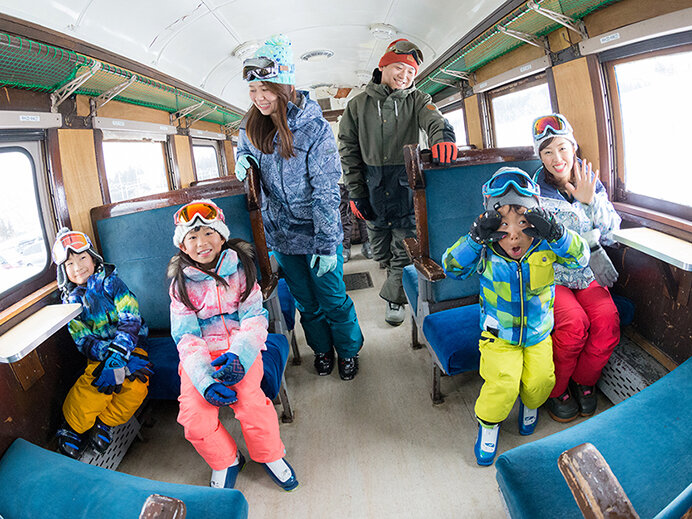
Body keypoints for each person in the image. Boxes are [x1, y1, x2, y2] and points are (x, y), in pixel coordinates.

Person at [234, 34, 364, 380]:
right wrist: (242, 159)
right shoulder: (249, 128)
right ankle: (322, 349)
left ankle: (349, 351)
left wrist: (327, 244)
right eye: (252, 91)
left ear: (285, 84)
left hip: (320, 232)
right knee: (307, 303)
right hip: (283, 235)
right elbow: (244, 161)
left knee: (333, 299)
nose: (259, 98)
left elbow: (325, 192)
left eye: (266, 89)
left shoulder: (315, 129)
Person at [441, 168, 590, 465]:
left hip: (538, 333)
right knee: (503, 384)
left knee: (540, 382)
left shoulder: (546, 243)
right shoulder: (486, 249)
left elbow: (581, 257)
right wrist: (474, 239)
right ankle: (489, 424)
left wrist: (557, 233)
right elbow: (451, 267)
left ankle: (531, 405)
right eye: (504, 225)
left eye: (523, 222)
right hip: (499, 336)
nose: (514, 234)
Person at [168, 199, 298, 491]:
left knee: (252, 404)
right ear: (183, 246)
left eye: (208, 233)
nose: (202, 243)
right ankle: (226, 460)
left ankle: (269, 455)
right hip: (201, 357)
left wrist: (240, 356)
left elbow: (254, 317)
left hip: (241, 348)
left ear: (222, 236)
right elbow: (186, 337)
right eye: (192, 237)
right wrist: (204, 380)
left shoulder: (242, 270)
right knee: (194, 418)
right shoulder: (180, 286)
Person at [339, 38, 457, 326]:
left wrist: (443, 137)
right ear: (383, 67)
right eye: (399, 68)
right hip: (372, 187)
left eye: (411, 73)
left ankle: (395, 298)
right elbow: (348, 149)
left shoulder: (418, 100)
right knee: (380, 249)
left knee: (402, 250)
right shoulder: (356, 106)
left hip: (406, 186)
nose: (404, 76)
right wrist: (356, 193)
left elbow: (435, 120)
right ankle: (388, 267)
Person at [531, 114, 621, 422]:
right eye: (547, 152)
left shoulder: (591, 184)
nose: (557, 159)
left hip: (588, 273)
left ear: (574, 146)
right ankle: (557, 391)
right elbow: (557, 241)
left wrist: (591, 201)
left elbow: (610, 232)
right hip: (554, 275)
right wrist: (581, 207)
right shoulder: (534, 193)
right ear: (539, 157)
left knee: (607, 323)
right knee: (573, 326)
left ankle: (584, 381)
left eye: (562, 148)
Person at [52, 228, 152, 459]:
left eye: (82, 258)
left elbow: (131, 318)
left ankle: (105, 423)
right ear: (63, 272)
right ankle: (72, 427)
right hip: (100, 352)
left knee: (136, 385)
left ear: (93, 258)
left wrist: (121, 355)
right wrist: (108, 357)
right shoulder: (69, 301)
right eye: (69, 264)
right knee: (96, 383)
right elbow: (81, 338)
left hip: (131, 345)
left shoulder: (112, 283)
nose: (77, 267)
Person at [339, 182, 373, 263]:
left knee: (361, 210)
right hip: (346, 180)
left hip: (354, 180)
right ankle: (346, 247)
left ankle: (366, 244)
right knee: (346, 212)